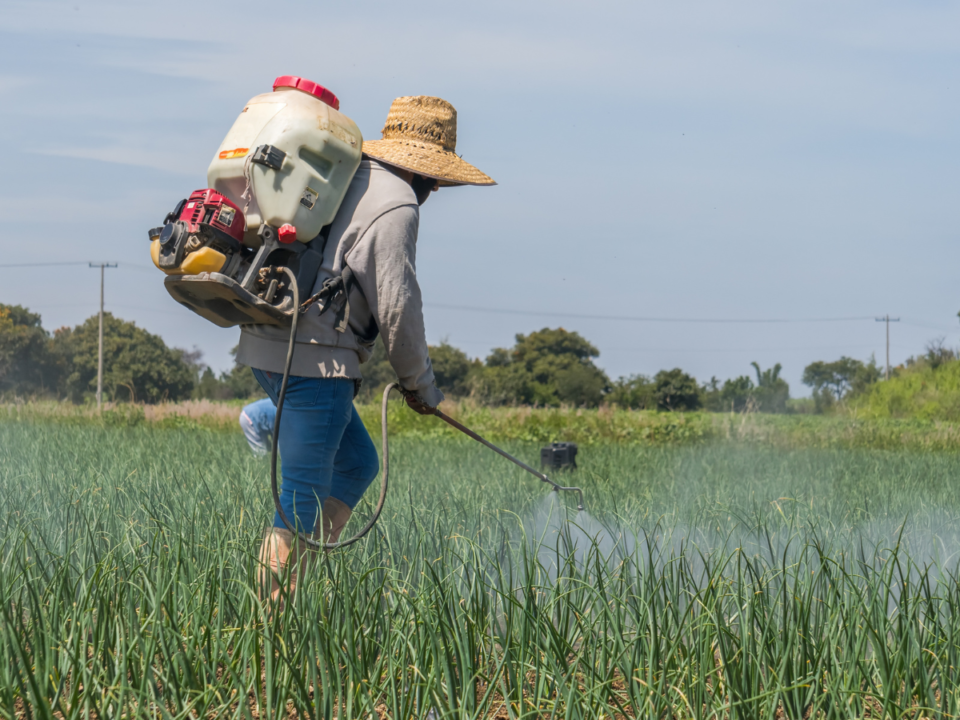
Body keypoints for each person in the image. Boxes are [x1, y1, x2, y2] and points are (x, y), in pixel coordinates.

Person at [236, 95, 495, 599]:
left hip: (267, 342)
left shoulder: (347, 173)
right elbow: (397, 306)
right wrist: (421, 387)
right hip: (315, 358)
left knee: (357, 462)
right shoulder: (396, 202)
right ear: (430, 172)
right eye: (438, 181)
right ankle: (268, 626)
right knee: (300, 497)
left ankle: (300, 588)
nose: (436, 190)